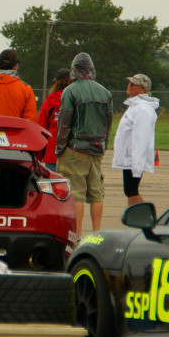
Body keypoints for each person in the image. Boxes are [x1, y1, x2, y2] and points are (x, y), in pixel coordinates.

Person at [55, 53, 112, 235]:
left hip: (75, 149)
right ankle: (96, 234)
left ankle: (77, 235)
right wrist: (103, 146)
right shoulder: (106, 93)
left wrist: (60, 148)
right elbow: (108, 125)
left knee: (76, 192)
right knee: (96, 192)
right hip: (97, 148)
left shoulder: (70, 91)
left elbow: (64, 124)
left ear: (74, 69)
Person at [112, 74, 159, 206]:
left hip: (133, 159)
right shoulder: (134, 106)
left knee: (131, 191)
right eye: (130, 83)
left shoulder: (143, 109)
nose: (130, 85)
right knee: (130, 191)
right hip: (129, 158)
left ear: (143, 89)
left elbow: (141, 138)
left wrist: (137, 166)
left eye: (134, 84)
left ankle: (143, 220)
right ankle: (139, 220)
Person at [36, 68, 70, 171]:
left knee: (53, 184)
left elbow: (41, 129)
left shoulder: (49, 102)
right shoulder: (75, 100)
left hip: (52, 151)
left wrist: (39, 154)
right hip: (71, 151)